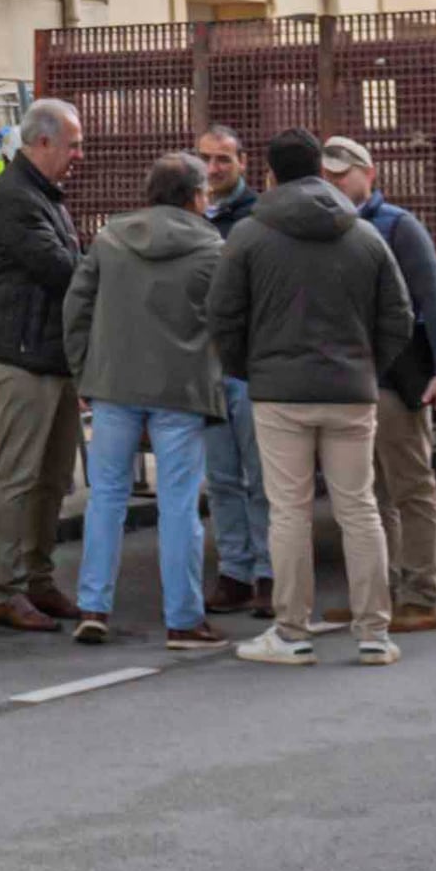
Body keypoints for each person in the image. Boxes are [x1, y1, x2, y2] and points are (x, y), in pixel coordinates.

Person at [207, 128, 414, 666]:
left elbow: (223, 316)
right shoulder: (365, 235)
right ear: (322, 173)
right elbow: (399, 317)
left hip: (278, 394)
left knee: (289, 512)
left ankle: (292, 631)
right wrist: (367, 365)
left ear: (268, 175)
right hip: (351, 391)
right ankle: (375, 633)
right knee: (360, 508)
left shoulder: (250, 236)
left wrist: (247, 370)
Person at [57, 150, 228, 647]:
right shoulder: (213, 249)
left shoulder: (111, 240)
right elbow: (227, 318)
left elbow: (77, 306)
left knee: (106, 497)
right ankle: (184, 618)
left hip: (112, 384)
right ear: (196, 196)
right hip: (182, 388)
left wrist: (82, 372)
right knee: (178, 504)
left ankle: (93, 606)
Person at [325, 137, 436, 635]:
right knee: (366, 494)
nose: (334, 181)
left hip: (394, 379)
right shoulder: (330, 226)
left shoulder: (399, 227)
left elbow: (434, 299)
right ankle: (378, 594)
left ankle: (421, 595)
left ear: (370, 172)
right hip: (350, 381)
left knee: (410, 487)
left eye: (343, 172)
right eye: (327, 173)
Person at [0, 97, 91, 634]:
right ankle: (9, 588)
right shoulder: (15, 198)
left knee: (53, 480)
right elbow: (62, 268)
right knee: (18, 479)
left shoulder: (46, 196)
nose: (79, 155)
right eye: (73, 144)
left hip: (52, 357)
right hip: (22, 358)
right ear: (42, 142)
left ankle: (40, 581)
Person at [188, 121, 272, 619]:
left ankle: (268, 574)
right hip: (207, 366)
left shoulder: (258, 217)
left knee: (263, 478)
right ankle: (235, 574)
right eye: (206, 159)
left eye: (223, 159)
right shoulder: (192, 215)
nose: (214, 169)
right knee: (220, 478)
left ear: (243, 162)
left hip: (250, 367)